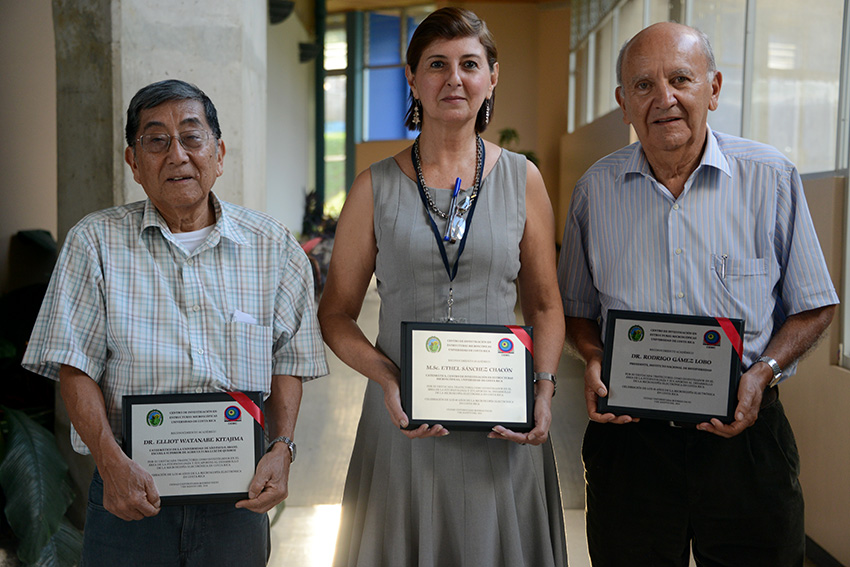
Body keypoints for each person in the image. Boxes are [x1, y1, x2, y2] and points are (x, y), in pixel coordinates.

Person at [558, 22, 839, 567]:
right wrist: (592, 357)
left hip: (745, 439)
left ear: (712, 88)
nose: (664, 98)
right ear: (623, 103)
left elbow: (815, 303)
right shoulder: (595, 191)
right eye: (643, 85)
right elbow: (576, 311)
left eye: (680, 79)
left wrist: (764, 372)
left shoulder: (771, 178)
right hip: (632, 445)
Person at [22, 79, 328, 566]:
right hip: (129, 490)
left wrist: (282, 448)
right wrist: (110, 462)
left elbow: (288, 360)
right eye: (156, 140)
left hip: (238, 494)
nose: (177, 154)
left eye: (192, 136)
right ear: (134, 162)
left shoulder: (272, 247)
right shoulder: (94, 243)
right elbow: (74, 367)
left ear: (219, 152)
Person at [318, 7, 567, 567]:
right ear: (412, 78)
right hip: (405, 423)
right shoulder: (373, 187)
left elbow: (547, 304)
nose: (454, 78)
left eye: (469, 64)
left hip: (503, 420)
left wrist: (545, 388)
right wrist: (388, 377)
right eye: (436, 64)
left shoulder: (522, 179)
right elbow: (335, 314)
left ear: (492, 76)